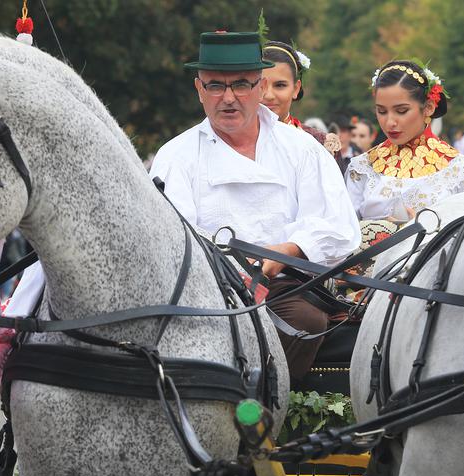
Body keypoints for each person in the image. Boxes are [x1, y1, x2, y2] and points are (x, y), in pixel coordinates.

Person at [150, 31, 361, 380]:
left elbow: (340, 229)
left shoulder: (301, 149)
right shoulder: (176, 155)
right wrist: (225, 267)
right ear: (199, 90)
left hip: (282, 285)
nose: (229, 98)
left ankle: (264, 405)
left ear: (260, 88)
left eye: (242, 85)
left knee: (306, 321)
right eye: (216, 86)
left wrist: (285, 251)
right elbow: (171, 239)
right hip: (205, 290)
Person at [345, 60, 464, 222]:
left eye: (401, 111)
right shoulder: (362, 168)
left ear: (428, 108)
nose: (390, 122)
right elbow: (345, 236)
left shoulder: (462, 171)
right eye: (381, 111)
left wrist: (428, 229)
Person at [261, 41, 341, 154]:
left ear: (296, 89)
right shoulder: (230, 142)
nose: (269, 95)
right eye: (260, 86)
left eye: (280, 85)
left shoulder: (322, 144)